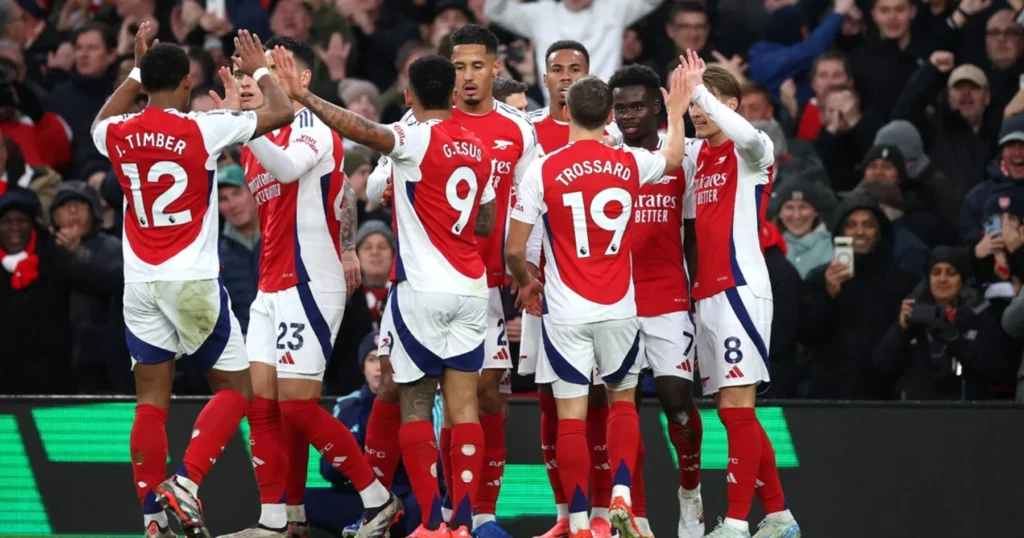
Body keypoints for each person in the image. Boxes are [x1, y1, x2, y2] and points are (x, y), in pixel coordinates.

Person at [272, 48, 496, 538]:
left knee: (414, 404)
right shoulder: (479, 146)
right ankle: (463, 522)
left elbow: (360, 131)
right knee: (463, 409)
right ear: (456, 92)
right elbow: (484, 220)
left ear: (410, 95)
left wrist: (303, 95)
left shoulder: (411, 138)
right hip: (471, 287)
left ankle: (432, 525)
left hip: (421, 289)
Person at [88, 25, 295, 538]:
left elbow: (101, 117)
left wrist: (136, 69)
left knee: (151, 403)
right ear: (185, 84)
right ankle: (185, 483)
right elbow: (282, 112)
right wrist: (261, 70)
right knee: (237, 389)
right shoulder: (202, 127)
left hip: (139, 282)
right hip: (192, 279)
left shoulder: (115, 132)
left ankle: (152, 521)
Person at [214, 36, 400, 538]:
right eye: (252, 71)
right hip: (269, 284)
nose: (258, 78)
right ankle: (278, 519)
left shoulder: (312, 126)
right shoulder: (257, 140)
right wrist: (234, 122)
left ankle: (378, 499)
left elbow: (292, 168)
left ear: (304, 78)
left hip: (310, 282)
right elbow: (339, 192)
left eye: (271, 68)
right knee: (264, 405)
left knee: (297, 404)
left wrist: (247, 129)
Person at [507, 69, 690, 538]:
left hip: (566, 312)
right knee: (622, 405)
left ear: (567, 112)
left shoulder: (542, 169)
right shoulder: (628, 162)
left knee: (570, 417)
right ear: (609, 115)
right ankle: (624, 493)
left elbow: (514, 247)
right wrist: (673, 111)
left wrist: (526, 283)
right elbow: (671, 156)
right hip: (620, 309)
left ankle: (582, 522)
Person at [678, 50, 799, 538]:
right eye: (694, 106)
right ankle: (779, 515)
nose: (699, 112)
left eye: (708, 103)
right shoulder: (699, 156)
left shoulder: (753, 151)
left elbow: (746, 132)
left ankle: (734, 522)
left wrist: (701, 88)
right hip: (706, 295)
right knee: (731, 411)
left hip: (741, 290)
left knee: (739, 409)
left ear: (731, 103)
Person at [521, 39, 621, 538]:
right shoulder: (528, 129)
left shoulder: (612, 134)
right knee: (549, 398)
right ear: (544, 77)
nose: (564, 76)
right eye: (556, 69)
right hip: (540, 287)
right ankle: (565, 515)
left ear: (588, 76)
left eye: (574, 69)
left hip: (594, 288)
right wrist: (522, 279)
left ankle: (601, 514)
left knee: (599, 399)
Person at [608, 63, 705, 538]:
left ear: (657, 107)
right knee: (620, 410)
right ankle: (636, 515)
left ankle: (690, 496)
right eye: (620, 107)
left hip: (667, 296)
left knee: (679, 406)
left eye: (638, 106)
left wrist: (697, 293)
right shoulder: (600, 155)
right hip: (613, 301)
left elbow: (691, 234)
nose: (628, 115)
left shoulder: (682, 156)